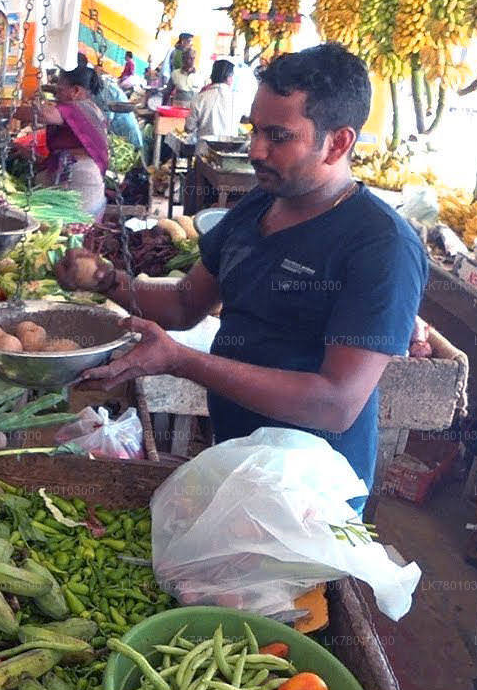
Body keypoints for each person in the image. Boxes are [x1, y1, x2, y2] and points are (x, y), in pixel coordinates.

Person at [55, 45, 426, 513]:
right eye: (254, 129)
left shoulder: (381, 247)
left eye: (278, 136)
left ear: (338, 142)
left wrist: (179, 361)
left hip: (310, 496)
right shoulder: (258, 205)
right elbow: (185, 304)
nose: (255, 149)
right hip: (237, 457)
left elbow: (335, 403)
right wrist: (106, 280)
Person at [26, 65, 110, 219]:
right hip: (81, 181)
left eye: (60, 87)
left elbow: (44, 115)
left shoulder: (77, 108)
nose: (57, 92)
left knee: (72, 231)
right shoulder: (90, 107)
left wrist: (4, 112)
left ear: (76, 91)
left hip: (80, 185)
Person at [186, 60, 240, 141]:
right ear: (229, 78)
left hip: (204, 151)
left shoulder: (200, 98)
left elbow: (189, 128)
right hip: (231, 150)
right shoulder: (238, 99)